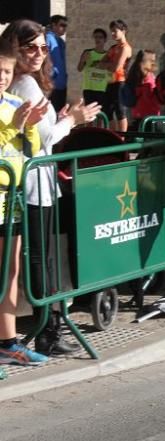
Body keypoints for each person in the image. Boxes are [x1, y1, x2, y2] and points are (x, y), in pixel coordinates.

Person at [4, 19, 101, 356]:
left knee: (36, 261)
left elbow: (38, 134)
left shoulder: (23, 82)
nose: (38, 54)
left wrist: (61, 120)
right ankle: (47, 331)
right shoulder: (24, 83)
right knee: (37, 262)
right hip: (31, 185)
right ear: (13, 46)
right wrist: (72, 121)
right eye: (30, 47)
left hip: (34, 183)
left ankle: (44, 329)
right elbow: (44, 138)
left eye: (43, 48)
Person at [0, 40, 48, 371]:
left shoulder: (16, 101)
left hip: (12, 200)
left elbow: (30, 148)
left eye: (5, 71)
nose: (2, 77)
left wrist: (30, 126)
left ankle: (8, 343)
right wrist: (16, 126)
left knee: (10, 272)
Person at [100, 19, 131, 132]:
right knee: (107, 110)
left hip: (120, 82)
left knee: (120, 111)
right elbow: (100, 63)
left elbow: (116, 67)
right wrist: (109, 64)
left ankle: (122, 138)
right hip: (110, 82)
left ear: (123, 31)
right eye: (111, 31)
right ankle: (113, 135)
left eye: (115, 31)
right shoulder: (113, 48)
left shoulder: (125, 48)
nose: (112, 34)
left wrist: (107, 64)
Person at [125, 50, 160, 127]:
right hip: (147, 115)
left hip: (140, 114)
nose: (154, 63)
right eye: (152, 61)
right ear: (145, 62)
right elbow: (147, 96)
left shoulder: (138, 75)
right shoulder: (144, 78)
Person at [77, 28, 109, 110]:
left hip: (102, 89)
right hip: (89, 88)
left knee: (100, 114)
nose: (98, 39)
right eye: (96, 37)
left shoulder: (109, 55)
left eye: (100, 37)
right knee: (89, 115)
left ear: (105, 40)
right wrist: (83, 61)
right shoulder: (87, 52)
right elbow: (79, 69)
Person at [45, 15, 68, 111]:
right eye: (62, 25)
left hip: (62, 83)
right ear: (53, 25)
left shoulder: (61, 41)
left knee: (60, 111)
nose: (64, 28)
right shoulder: (48, 38)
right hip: (52, 83)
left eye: (66, 26)